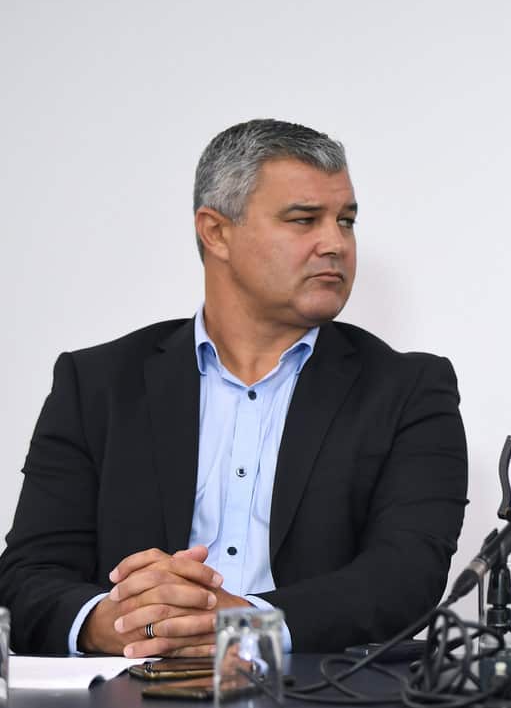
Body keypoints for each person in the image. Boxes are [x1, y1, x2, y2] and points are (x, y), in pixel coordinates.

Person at [0, 119, 468, 657]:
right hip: (130, 688)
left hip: (315, 692)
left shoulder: (410, 389)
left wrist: (246, 622)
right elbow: (29, 573)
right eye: (304, 220)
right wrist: (114, 621)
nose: (335, 243)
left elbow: (405, 578)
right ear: (216, 232)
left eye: (346, 220)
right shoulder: (98, 383)